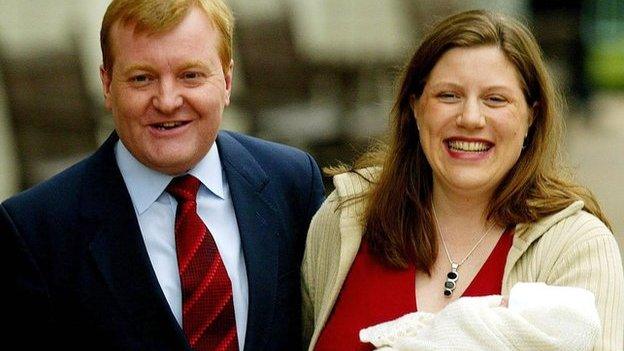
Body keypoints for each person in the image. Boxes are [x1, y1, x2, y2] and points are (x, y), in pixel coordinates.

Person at [0, 1, 325, 350]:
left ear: (227, 81)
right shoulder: (35, 230)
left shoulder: (292, 184)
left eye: (191, 75)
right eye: (142, 78)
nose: (168, 101)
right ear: (107, 85)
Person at [301, 9, 623, 351]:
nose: (470, 118)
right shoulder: (346, 216)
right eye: (448, 96)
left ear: (532, 115)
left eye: (495, 99)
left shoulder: (576, 247)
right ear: (415, 107)